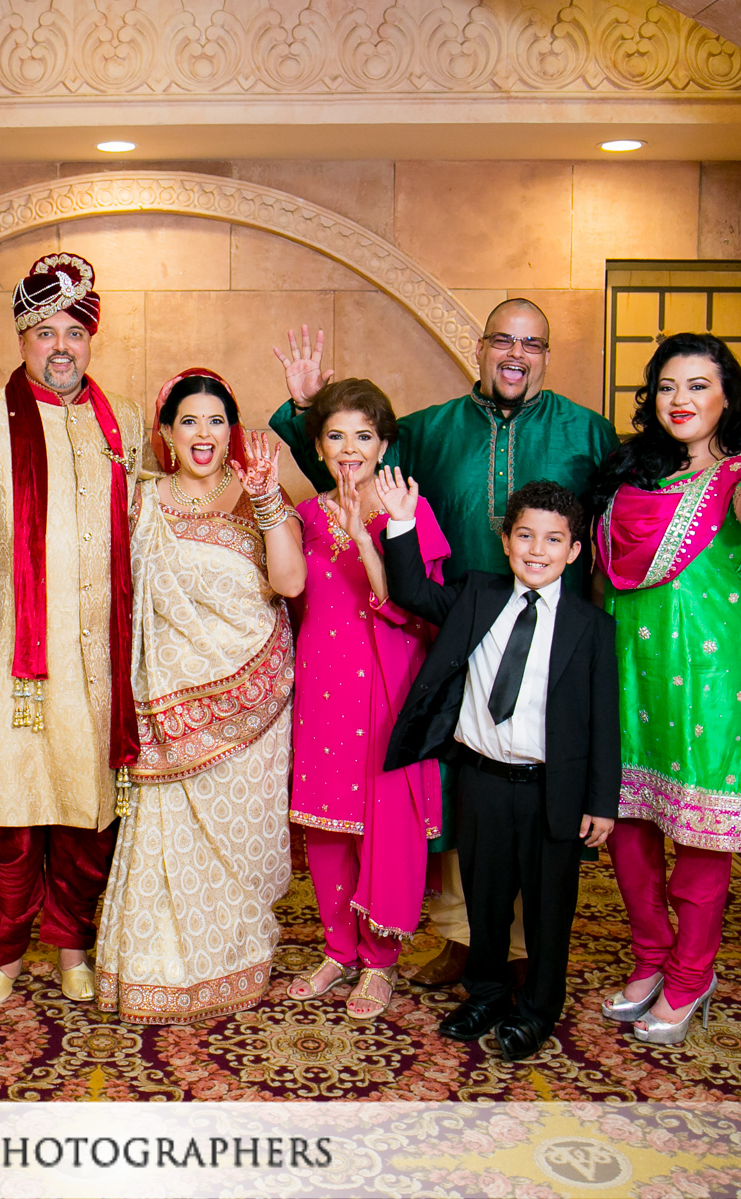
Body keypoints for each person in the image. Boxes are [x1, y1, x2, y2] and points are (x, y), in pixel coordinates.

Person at [270, 300, 617, 986]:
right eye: (502, 340)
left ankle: (531, 951)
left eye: (532, 343)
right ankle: (463, 938)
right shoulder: (431, 430)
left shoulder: (589, 431)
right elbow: (348, 468)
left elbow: (614, 527)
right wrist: (306, 406)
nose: (516, 354)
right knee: (465, 780)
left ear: (546, 354)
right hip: (452, 624)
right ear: (481, 347)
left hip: (552, 627)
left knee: (545, 775)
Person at [0, 253, 145, 1009]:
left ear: (91, 341)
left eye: (74, 333)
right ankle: (9, 952)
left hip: (96, 671)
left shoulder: (123, 425)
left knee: (84, 821)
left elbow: (152, 530)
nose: (60, 347)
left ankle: (72, 945)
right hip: (10, 666)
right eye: (43, 332)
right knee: (7, 823)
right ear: (22, 340)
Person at [589, 329, 741, 1045]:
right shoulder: (634, 476)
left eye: (698, 386)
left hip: (712, 680)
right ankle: (652, 957)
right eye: (667, 386)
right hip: (630, 668)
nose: (680, 400)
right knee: (627, 827)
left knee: (697, 833)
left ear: (729, 397)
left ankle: (692, 976)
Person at [378, 473, 620, 1061]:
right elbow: (410, 590)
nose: (538, 551)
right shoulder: (477, 595)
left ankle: (538, 1009)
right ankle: (486, 993)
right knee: (484, 899)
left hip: (550, 790)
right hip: (482, 780)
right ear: (506, 541)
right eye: (526, 537)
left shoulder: (591, 626)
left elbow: (603, 718)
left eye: (554, 540)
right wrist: (402, 522)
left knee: (546, 910)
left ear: (575, 550)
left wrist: (601, 801)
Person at [94, 370, 304, 1024]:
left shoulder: (255, 494)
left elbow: (290, 583)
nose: (203, 433)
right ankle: (157, 970)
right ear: (165, 433)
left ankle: (232, 961)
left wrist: (269, 500)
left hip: (254, 705)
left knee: (242, 844)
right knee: (166, 839)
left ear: (231, 432)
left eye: (216, 421)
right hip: (165, 711)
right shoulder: (140, 503)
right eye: (189, 421)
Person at [284, 378, 447, 1020]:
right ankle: (337, 949)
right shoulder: (303, 516)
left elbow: (413, 609)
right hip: (320, 684)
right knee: (326, 823)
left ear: (384, 444)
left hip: (387, 682)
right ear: (319, 446)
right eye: (335, 435)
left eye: (363, 436)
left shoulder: (409, 506)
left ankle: (379, 962)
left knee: (382, 820)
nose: (349, 448)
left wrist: (368, 539)